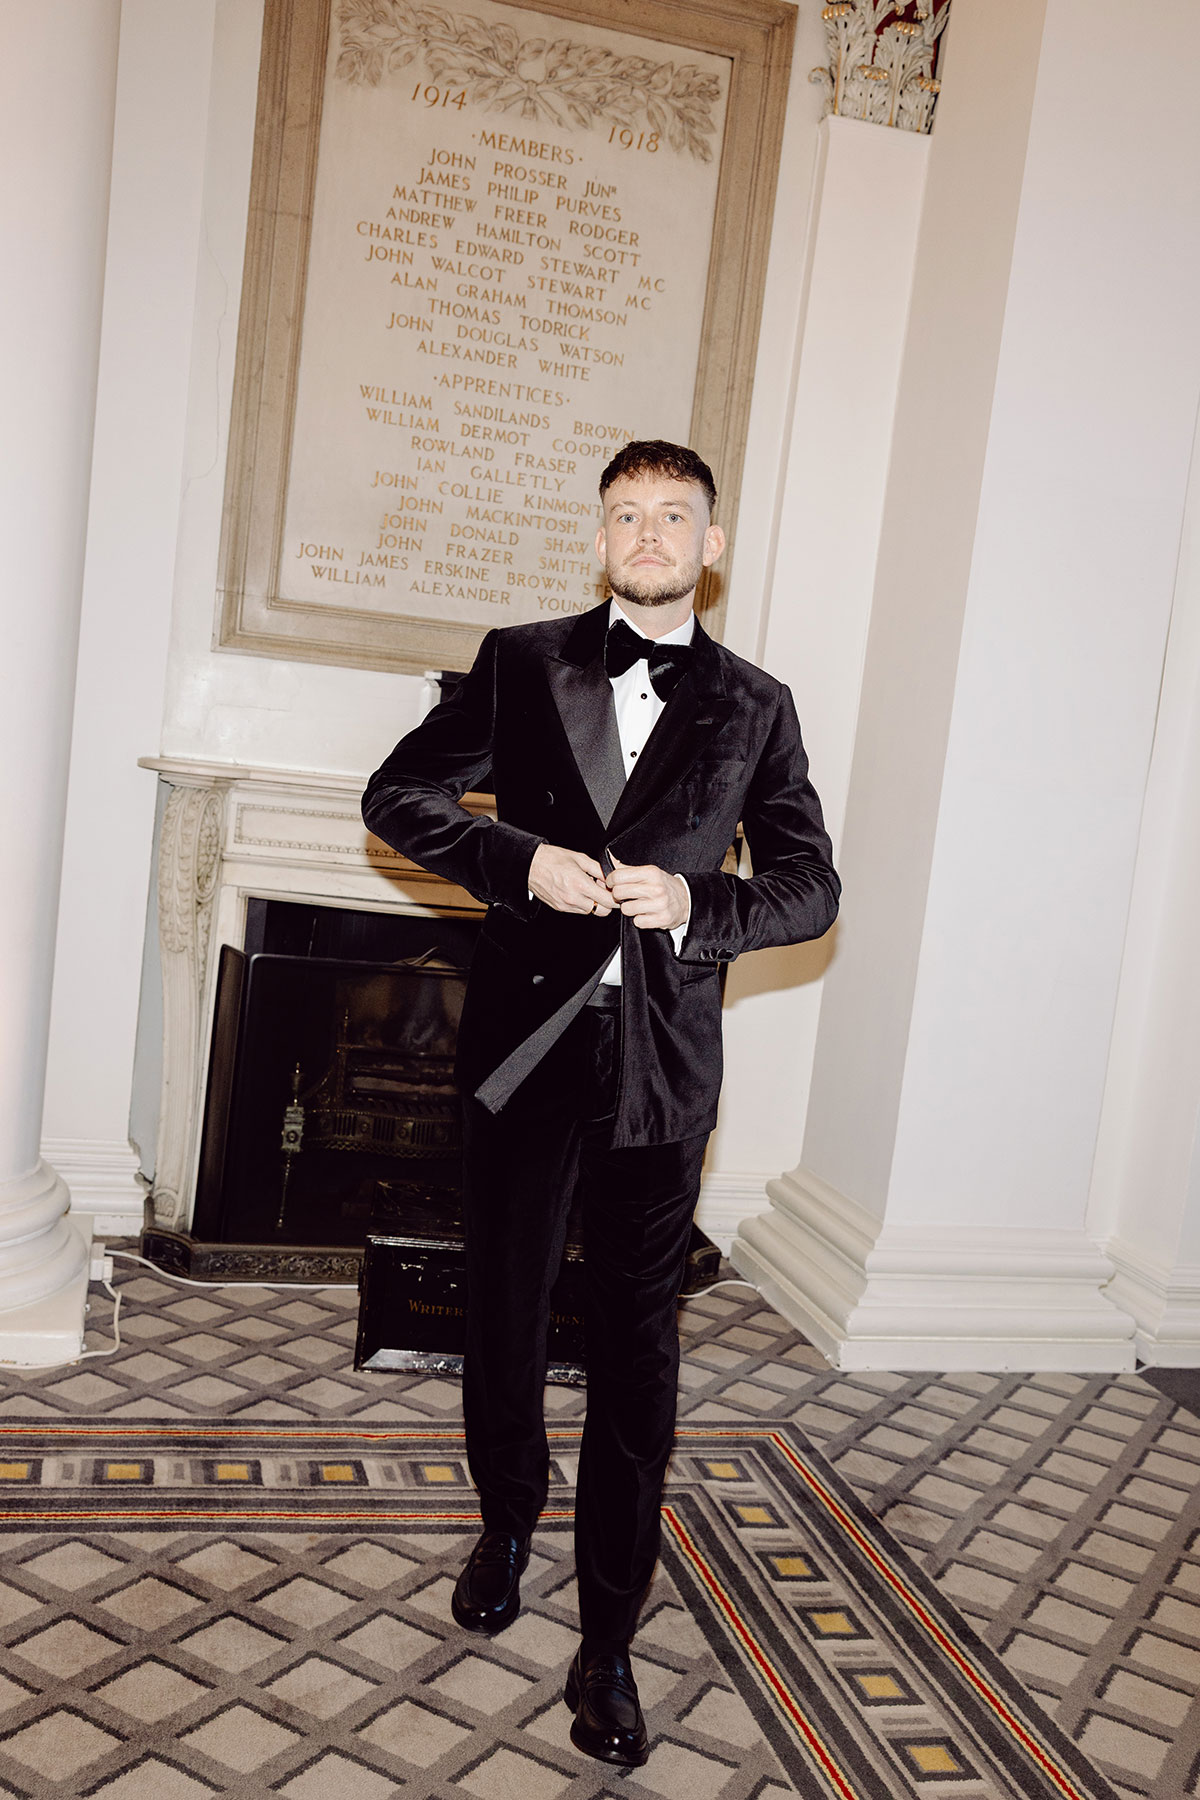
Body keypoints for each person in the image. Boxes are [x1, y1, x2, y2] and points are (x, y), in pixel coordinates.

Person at [362, 440, 839, 1767]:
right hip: (523, 1052)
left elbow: (810, 885)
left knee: (640, 1358)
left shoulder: (757, 704)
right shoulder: (521, 659)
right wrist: (519, 862)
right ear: (601, 536)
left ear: (711, 541)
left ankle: (609, 1643)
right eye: (625, 513)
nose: (647, 531)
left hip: (663, 1074)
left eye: (671, 514)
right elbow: (394, 796)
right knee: (503, 1308)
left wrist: (702, 905)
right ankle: (509, 1513)